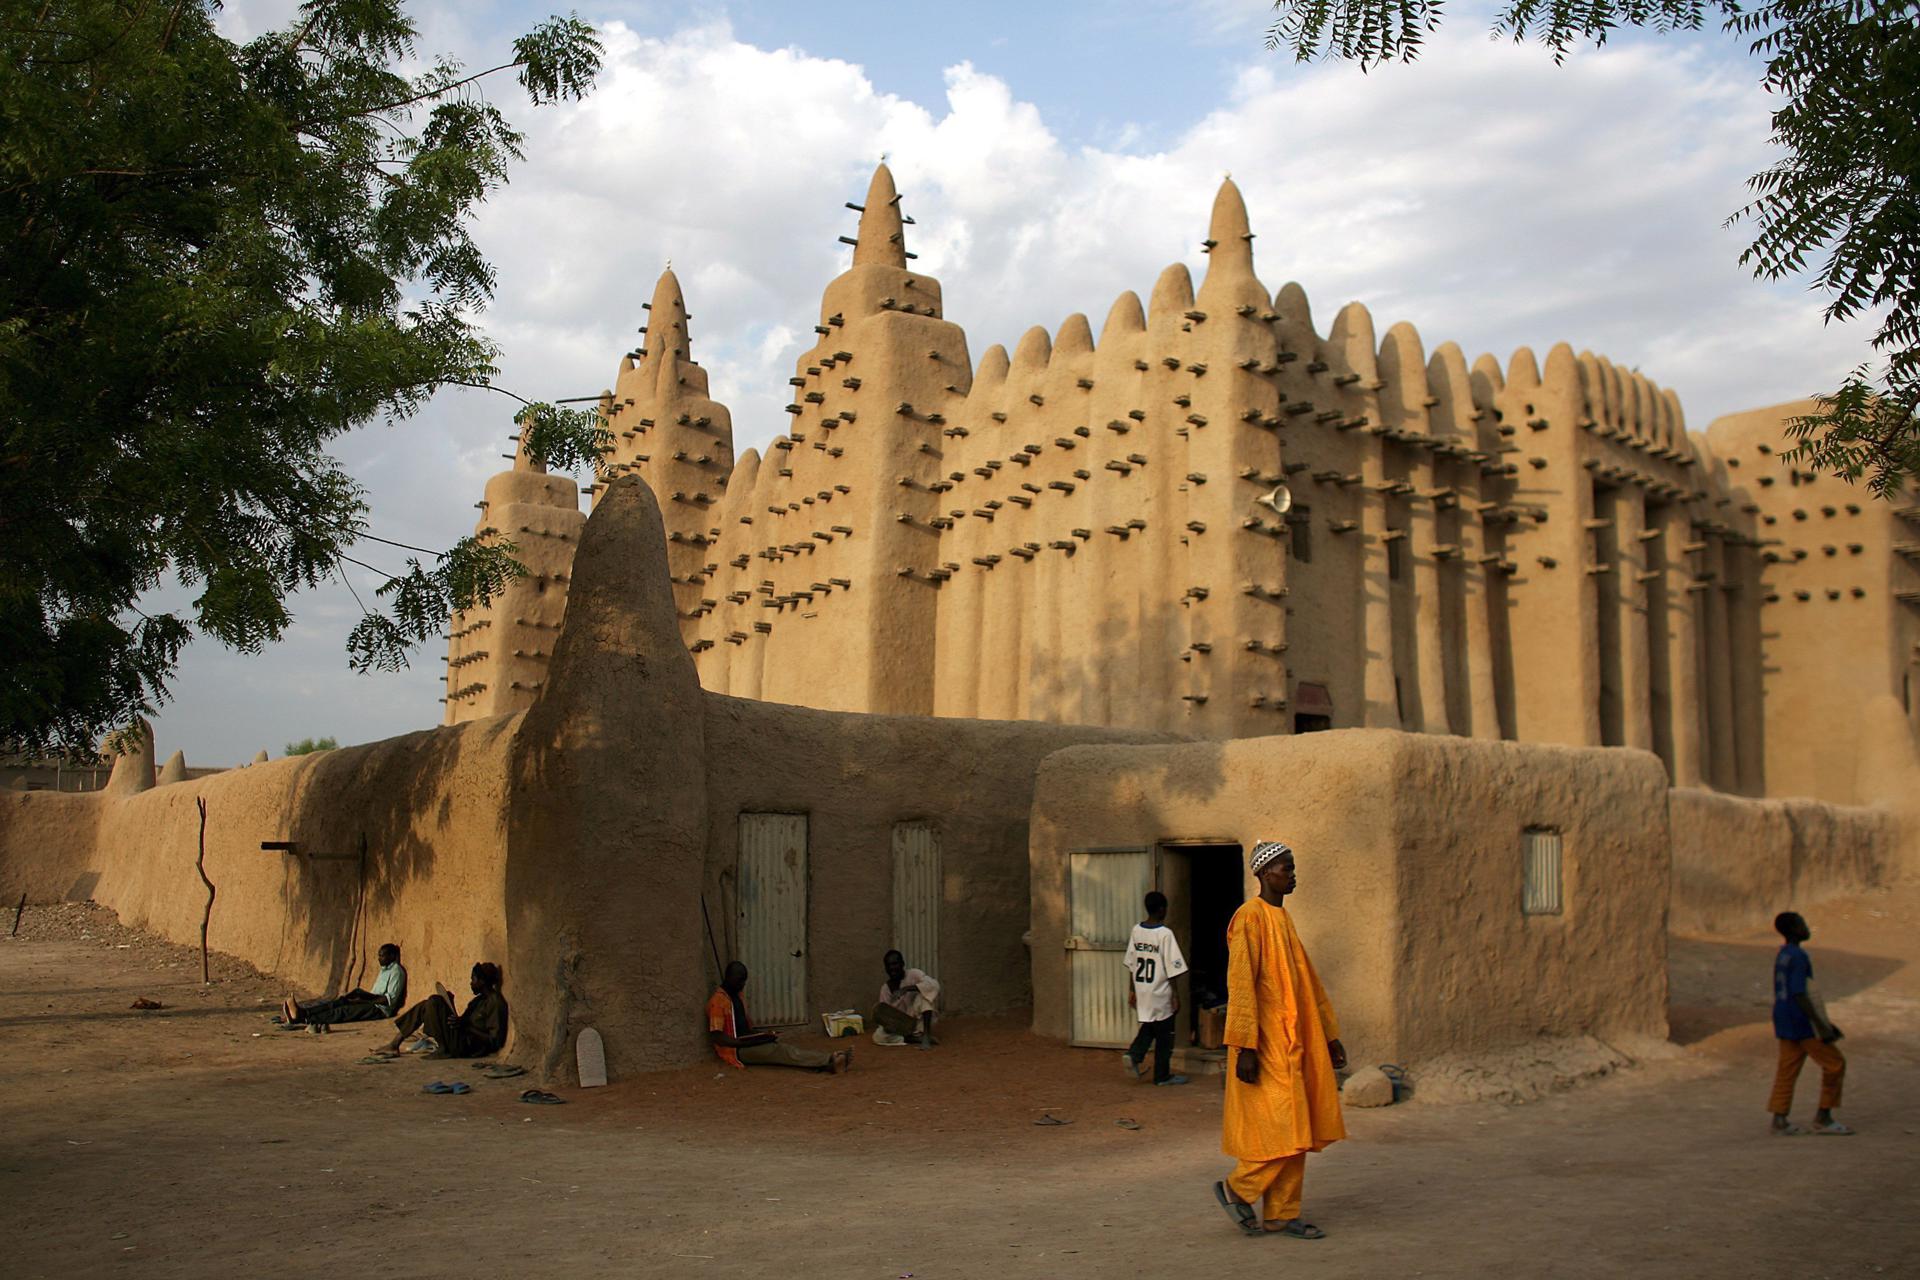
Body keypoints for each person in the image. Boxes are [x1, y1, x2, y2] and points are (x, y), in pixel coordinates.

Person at [1214, 840, 1347, 1240]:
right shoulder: (1249, 918)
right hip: (1266, 1044)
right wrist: (1246, 1047)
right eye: (1286, 868)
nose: (1292, 874)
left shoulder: (1283, 920)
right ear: (1264, 872)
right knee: (1284, 1126)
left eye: (1292, 867)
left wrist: (1329, 1036)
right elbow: (1240, 985)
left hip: (1297, 1042)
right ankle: (1239, 1187)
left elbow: (1309, 986)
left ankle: (1282, 1213)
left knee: (1300, 1125)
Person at [1769, 911, 1853, 1135]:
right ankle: (1824, 1117)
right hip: (1801, 1019)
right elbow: (1800, 994)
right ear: (1794, 929)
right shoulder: (1798, 956)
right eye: (1802, 924)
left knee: (1787, 1068)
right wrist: (1822, 1025)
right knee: (1835, 1064)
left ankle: (1779, 1119)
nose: (1806, 928)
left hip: (1783, 1016)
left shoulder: (1783, 954)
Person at [708, 961, 851, 1073]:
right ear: (729, 978)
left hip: (744, 1043)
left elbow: (743, 1027)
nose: (742, 984)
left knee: (781, 1050)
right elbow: (717, 1037)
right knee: (781, 1051)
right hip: (735, 1051)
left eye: (744, 981)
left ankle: (828, 1064)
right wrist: (743, 1043)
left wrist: (760, 1036)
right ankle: (830, 1058)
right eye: (739, 980)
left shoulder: (736, 995)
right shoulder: (718, 1002)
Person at [1122, 891, 1189, 1086]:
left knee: (1152, 1025)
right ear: (1162, 910)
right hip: (1160, 990)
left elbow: (1132, 963)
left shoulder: (1137, 930)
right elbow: (1172, 968)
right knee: (1165, 1034)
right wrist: (1175, 995)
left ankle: (1135, 1054)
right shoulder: (1164, 934)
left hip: (1143, 988)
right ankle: (1161, 1074)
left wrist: (1132, 989)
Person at [379, 962, 509, 1059]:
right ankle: (395, 1043)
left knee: (435, 1001)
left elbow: (495, 1040)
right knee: (427, 1005)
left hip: (468, 1046)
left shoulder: (495, 1003)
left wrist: (466, 1027)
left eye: (473, 979)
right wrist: (450, 1006)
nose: (471, 983)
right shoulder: (478, 1001)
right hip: (462, 1037)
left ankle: (444, 1049)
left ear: (482, 981)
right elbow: (462, 1022)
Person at [281, 943, 407, 1029]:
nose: (379, 958)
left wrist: (364, 998)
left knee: (343, 1011)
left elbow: (388, 999)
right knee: (340, 1002)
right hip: (371, 1002)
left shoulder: (396, 972)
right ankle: (303, 1012)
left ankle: (306, 1020)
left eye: (382, 955)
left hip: (379, 1009)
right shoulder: (384, 969)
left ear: (392, 956)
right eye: (379, 955)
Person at [872, 950, 941, 1048]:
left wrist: (907, 989)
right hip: (900, 1026)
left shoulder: (913, 974)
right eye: (888, 965)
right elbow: (884, 1013)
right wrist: (887, 1024)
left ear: (902, 964)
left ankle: (926, 1036)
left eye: (895, 964)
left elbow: (934, 985)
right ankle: (913, 1039)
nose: (892, 968)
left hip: (918, 1022)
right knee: (878, 1036)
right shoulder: (885, 989)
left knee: (924, 998)